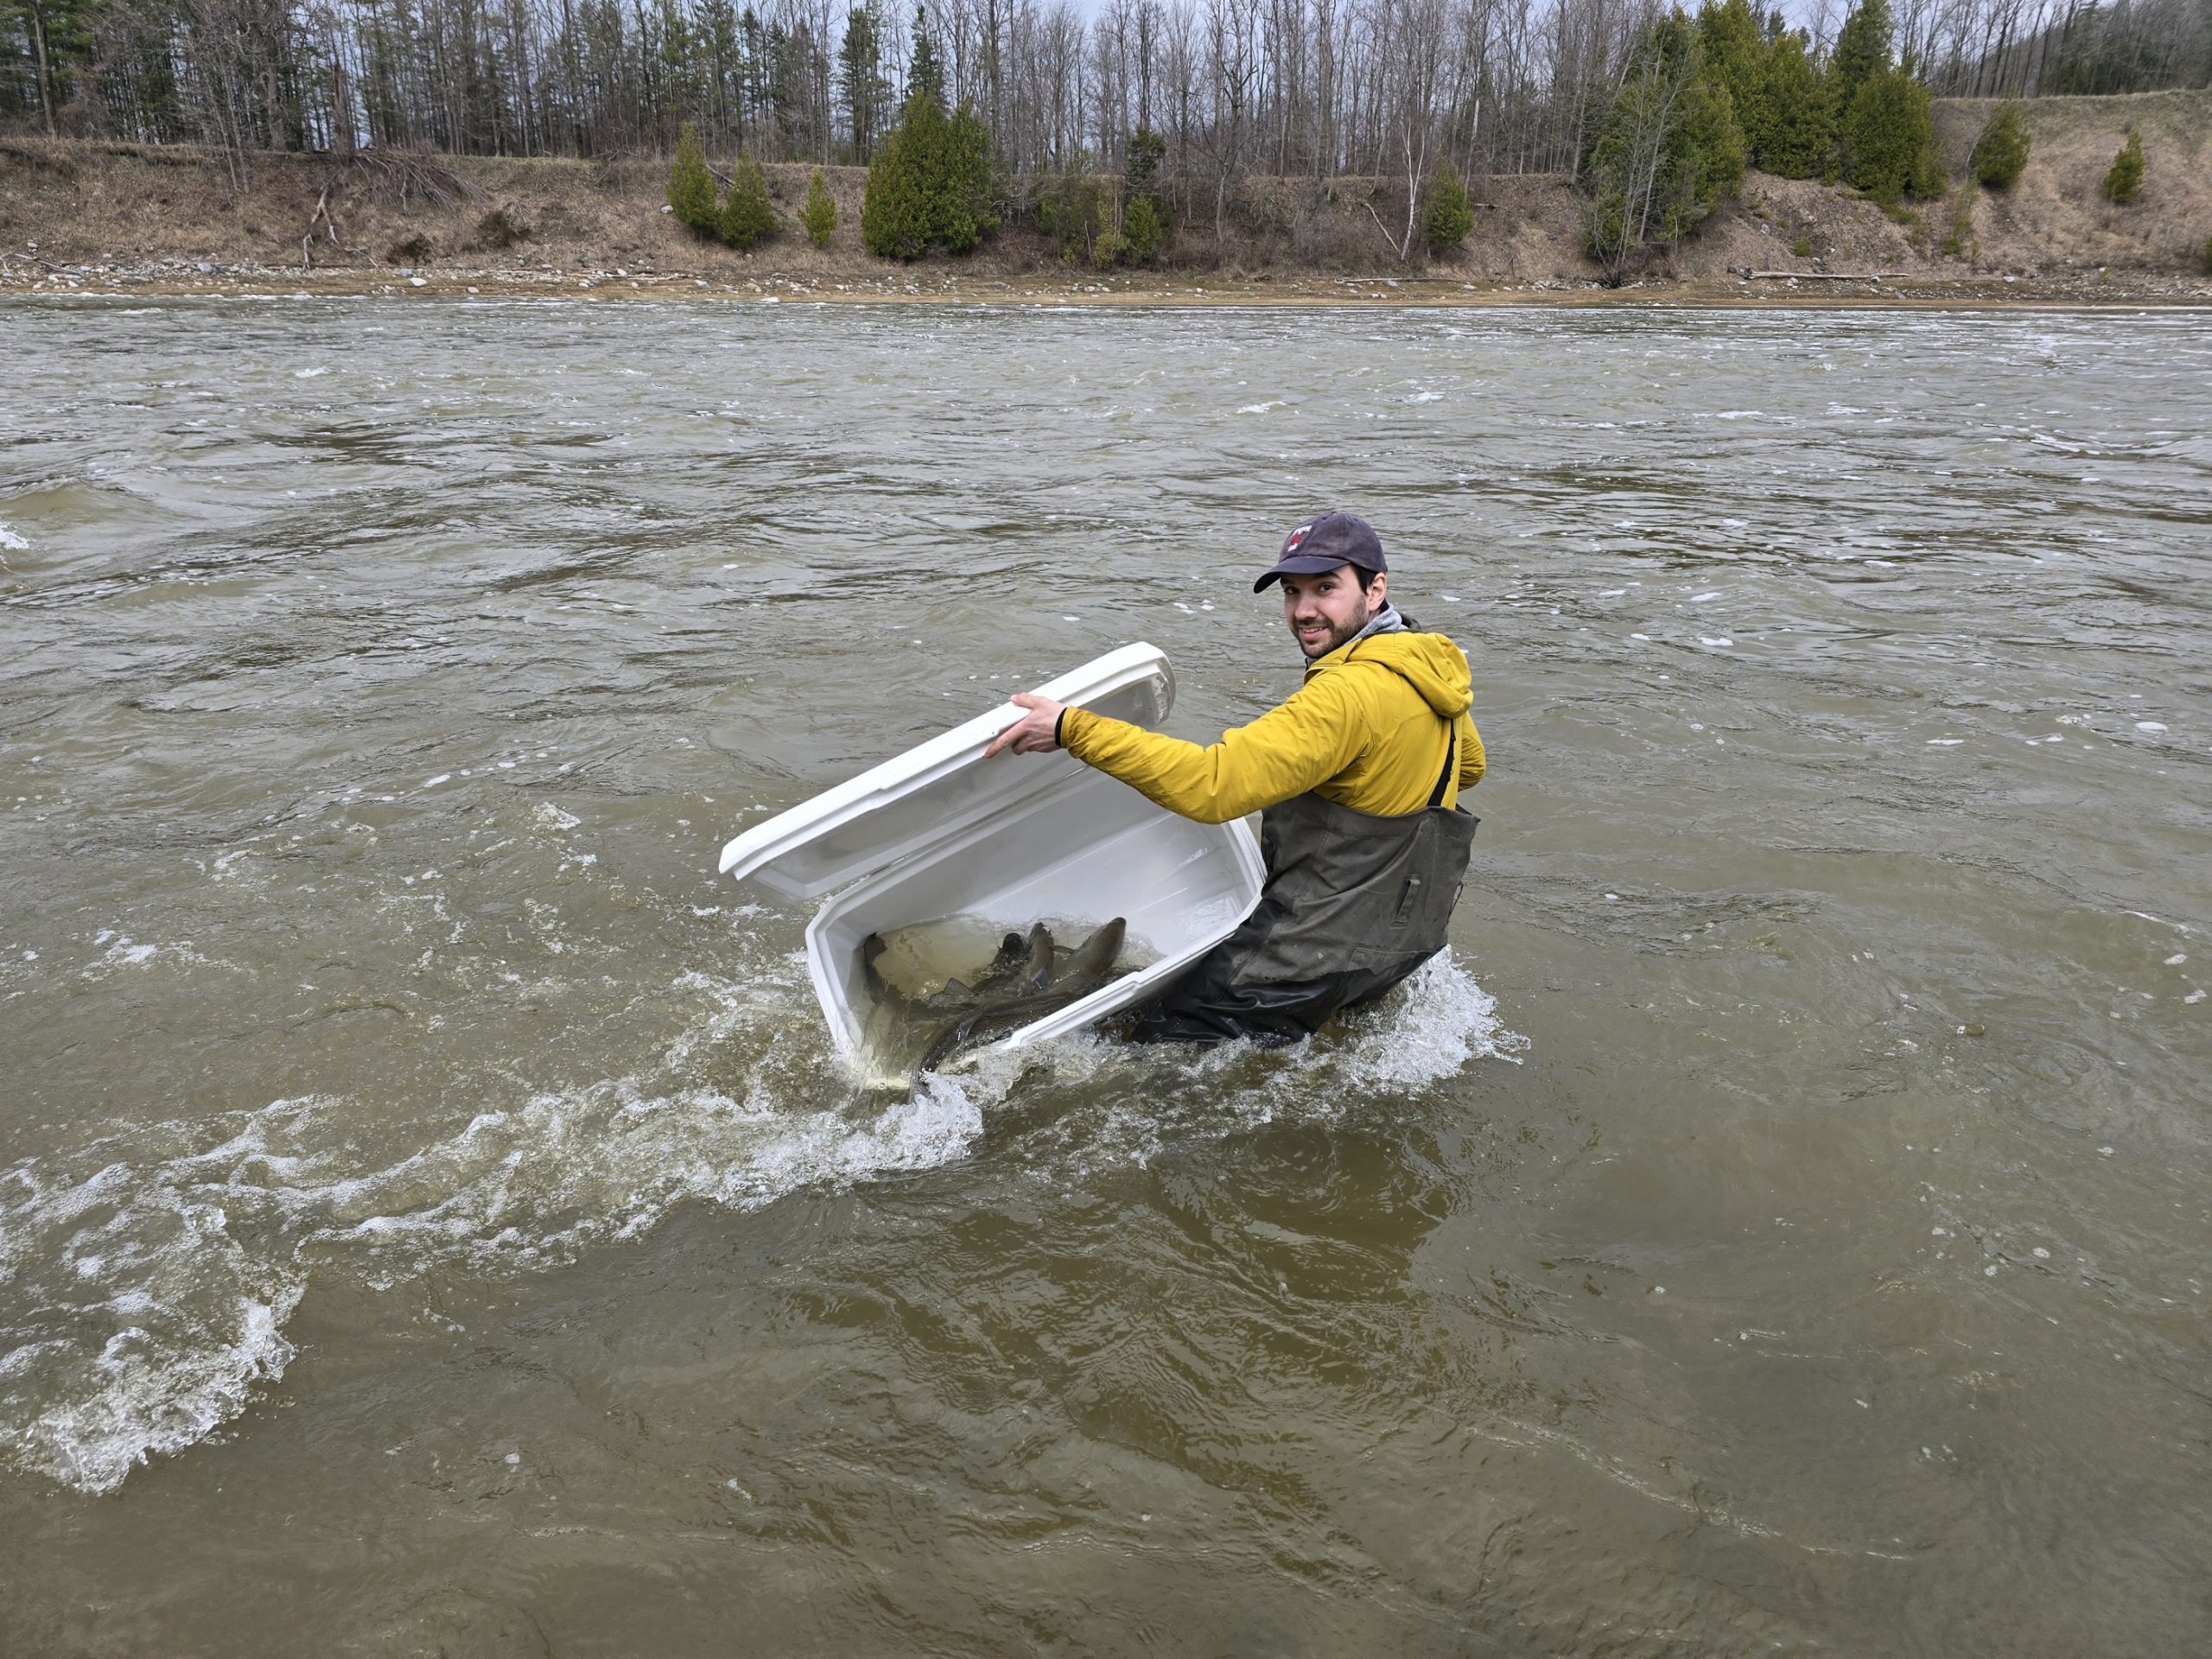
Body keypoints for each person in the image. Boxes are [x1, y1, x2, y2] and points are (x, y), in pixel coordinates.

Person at [984, 512, 1484, 1046]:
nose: (1304, 611)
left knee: (1139, 1056)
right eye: (1292, 592)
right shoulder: (1424, 667)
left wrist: (1070, 727)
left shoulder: (1345, 694)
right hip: (1404, 944)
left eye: (1326, 588)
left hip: (1308, 959)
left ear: (1375, 587)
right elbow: (1471, 766)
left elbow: (1211, 785)